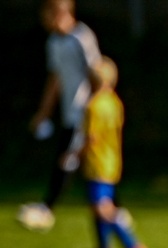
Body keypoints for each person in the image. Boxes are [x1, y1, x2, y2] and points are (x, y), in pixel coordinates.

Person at [19, 0, 100, 233]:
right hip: (69, 113)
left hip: (85, 113)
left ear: (60, 13)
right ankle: (114, 209)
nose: (44, 21)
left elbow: (97, 72)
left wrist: (97, 110)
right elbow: (55, 80)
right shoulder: (54, 42)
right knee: (85, 163)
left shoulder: (81, 37)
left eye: (47, 15)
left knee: (67, 160)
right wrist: (44, 113)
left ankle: (47, 209)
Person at [79, 58, 146, 248]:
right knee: (96, 205)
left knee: (102, 207)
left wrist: (76, 154)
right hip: (112, 160)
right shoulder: (115, 103)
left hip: (98, 161)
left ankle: (132, 246)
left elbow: (92, 137)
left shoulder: (94, 105)